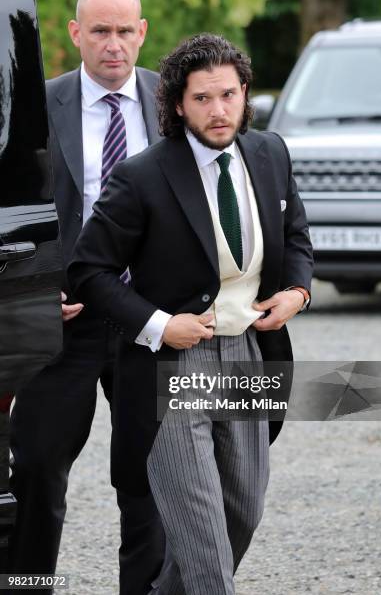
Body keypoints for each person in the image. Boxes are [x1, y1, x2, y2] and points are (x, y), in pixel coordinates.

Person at [68, 33, 314, 594]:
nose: (218, 109)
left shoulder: (270, 153)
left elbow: (296, 236)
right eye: (202, 98)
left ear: (245, 92)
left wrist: (298, 292)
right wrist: (159, 325)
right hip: (177, 368)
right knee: (204, 543)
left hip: (251, 355)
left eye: (228, 94)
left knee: (242, 516)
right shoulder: (141, 176)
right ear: (177, 104)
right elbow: (89, 271)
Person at [8, 0, 164, 593]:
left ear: (143, 33)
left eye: (125, 31)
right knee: (38, 473)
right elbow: (13, 209)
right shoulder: (36, 108)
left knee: (148, 475)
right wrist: (34, 285)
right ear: (76, 35)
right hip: (61, 320)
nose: (114, 45)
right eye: (100, 31)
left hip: (146, 321)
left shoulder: (171, 101)